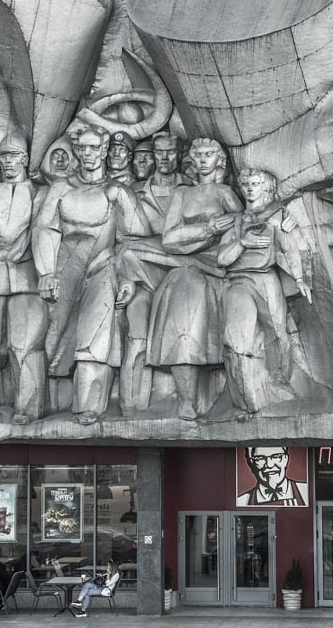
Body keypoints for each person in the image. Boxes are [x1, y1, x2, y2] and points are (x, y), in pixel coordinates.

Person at [33, 123, 150, 424]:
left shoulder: (117, 191)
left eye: (93, 148)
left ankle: (89, 406)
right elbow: (44, 228)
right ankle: (39, 402)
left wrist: (128, 279)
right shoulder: (60, 188)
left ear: (103, 150)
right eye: (82, 147)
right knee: (48, 337)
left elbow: (134, 239)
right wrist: (46, 271)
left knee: (94, 337)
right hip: (64, 268)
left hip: (102, 266)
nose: (87, 153)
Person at [145, 138, 242, 420]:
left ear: (219, 160)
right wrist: (207, 228)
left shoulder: (225, 193)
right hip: (184, 267)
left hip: (216, 269)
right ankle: (186, 400)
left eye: (209, 154)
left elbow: (238, 227)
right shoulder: (182, 195)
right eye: (197, 155)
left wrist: (219, 243)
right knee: (180, 310)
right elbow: (169, 239)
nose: (202, 160)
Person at [217, 168, 312, 418]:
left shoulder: (279, 215)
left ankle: (280, 381)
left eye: (255, 184)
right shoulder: (236, 220)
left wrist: (300, 278)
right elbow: (221, 258)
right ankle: (245, 400)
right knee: (236, 339)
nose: (249, 188)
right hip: (239, 281)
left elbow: (291, 247)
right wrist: (241, 243)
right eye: (245, 183)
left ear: (267, 188)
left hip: (267, 278)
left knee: (279, 333)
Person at [115, 132, 196, 415]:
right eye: (158, 152)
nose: (163, 158)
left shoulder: (193, 188)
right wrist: (127, 281)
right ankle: (128, 408)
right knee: (136, 335)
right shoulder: (133, 192)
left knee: (183, 328)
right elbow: (123, 240)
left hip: (183, 276)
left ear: (179, 153)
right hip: (144, 279)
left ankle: (188, 401)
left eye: (170, 152)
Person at [0, 130, 49, 422]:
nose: (8, 162)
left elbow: (43, 232)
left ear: (24, 159)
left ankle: (28, 408)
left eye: (13, 156)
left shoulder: (41, 193)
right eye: (3, 157)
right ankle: (3, 402)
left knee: (23, 345)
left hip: (27, 279)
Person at [237, 447, 308, 506]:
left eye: (276, 456)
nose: (269, 465)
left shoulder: (305, 491)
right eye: (260, 458)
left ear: (286, 459)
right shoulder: (242, 501)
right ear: (251, 464)